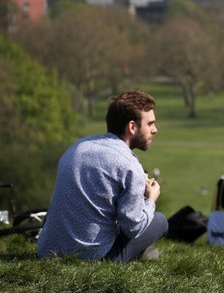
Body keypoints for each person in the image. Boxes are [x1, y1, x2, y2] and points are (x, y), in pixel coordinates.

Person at [38, 90, 168, 263]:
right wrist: (150, 199)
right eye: (150, 124)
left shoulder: (76, 148)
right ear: (132, 127)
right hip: (92, 258)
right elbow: (133, 227)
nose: (155, 130)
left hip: (47, 251)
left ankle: (141, 252)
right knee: (160, 221)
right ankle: (141, 253)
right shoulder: (129, 165)